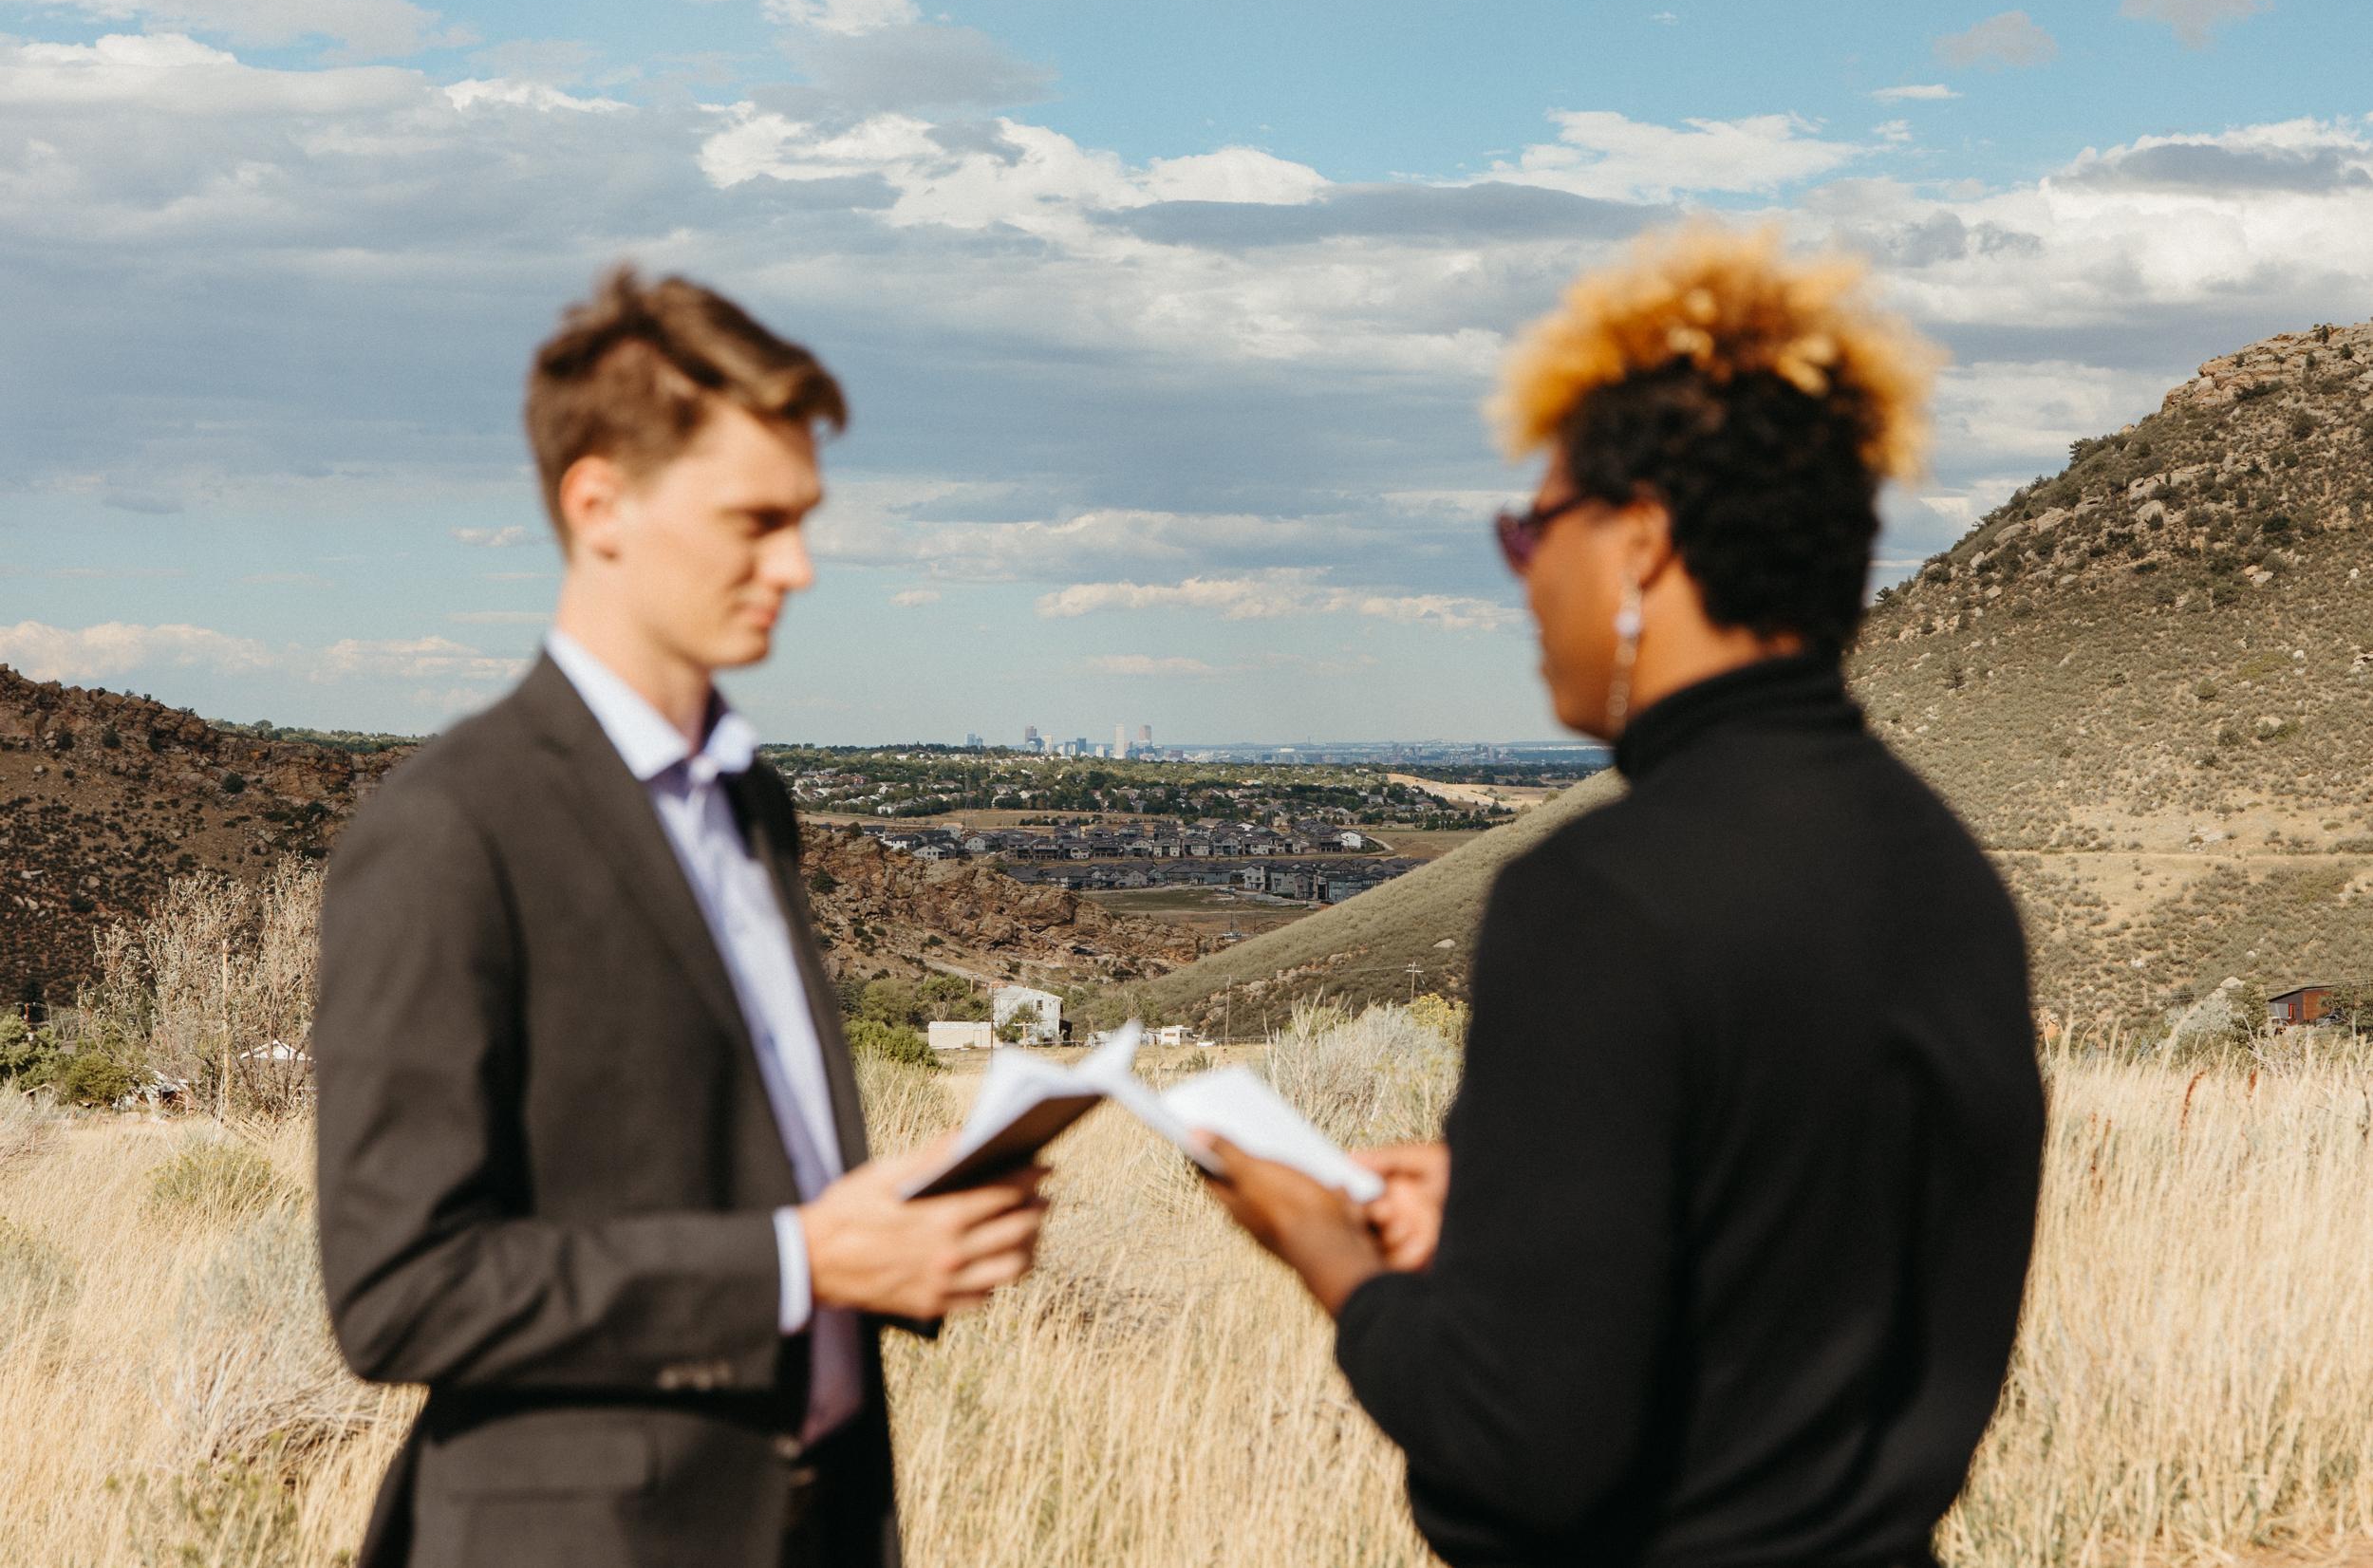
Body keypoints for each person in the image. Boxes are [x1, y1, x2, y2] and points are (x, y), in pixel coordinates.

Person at [1201, 226, 2046, 1568]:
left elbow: (1521, 1447)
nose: (1524, 573)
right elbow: (1792, 1250)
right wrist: (1523, 1200)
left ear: (1641, 540)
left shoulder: (1598, 899)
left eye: (1533, 528)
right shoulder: (1945, 874)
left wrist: (1329, 1257)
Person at [312, 269, 1047, 1568]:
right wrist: (800, 1263)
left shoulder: (750, 803)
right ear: (599, 504)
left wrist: (896, 1225)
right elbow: (398, 1294)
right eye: (755, 520)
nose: (797, 567)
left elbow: (711, 1167)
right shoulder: (450, 828)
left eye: (803, 520)